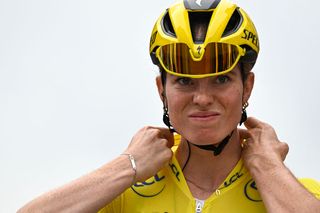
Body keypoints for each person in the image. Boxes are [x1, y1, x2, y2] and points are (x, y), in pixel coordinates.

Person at [18, 0, 320, 212]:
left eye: (220, 79)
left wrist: (267, 167)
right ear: (162, 90)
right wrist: (128, 166)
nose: (202, 98)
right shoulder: (126, 191)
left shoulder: (290, 191)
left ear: (247, 87)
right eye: (185, 82)